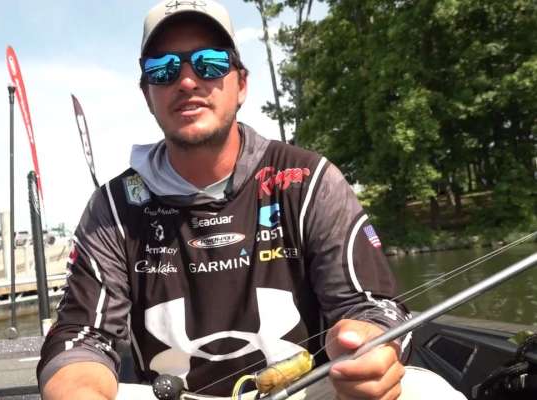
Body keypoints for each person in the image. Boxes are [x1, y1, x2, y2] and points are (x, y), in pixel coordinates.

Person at [38, 1, 465, 399]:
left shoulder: (308, 179)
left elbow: (371, 306)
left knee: (427, 391)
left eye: (209, 63)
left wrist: (368, 344)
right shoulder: (112, 208)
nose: (187, 81)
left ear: (241, 84)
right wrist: (77, 385)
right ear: (147, 93)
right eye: (162, 69)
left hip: (305, 391)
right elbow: (81, 335)